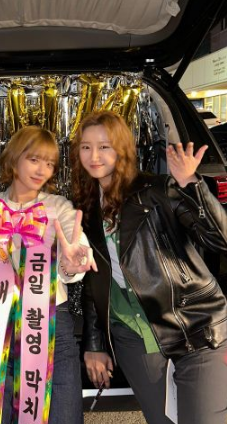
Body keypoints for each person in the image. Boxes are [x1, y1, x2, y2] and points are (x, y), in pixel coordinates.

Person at [70, 110, 227, 424]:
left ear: (122, 148)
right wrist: (95, 344)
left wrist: (190, 183)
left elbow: (219, 238)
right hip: (132, 335)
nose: (94, 156)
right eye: (86, 147)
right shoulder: (85, 206)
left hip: (195, 327)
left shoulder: (157, 189)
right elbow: (94, 281)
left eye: (104, 146)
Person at [0, 126, 97, 424]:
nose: (42, 170)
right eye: (34, 159)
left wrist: (74, 260)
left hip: (52, 323)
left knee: (63, 416)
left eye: (49, 163)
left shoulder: (58, 207)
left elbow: (75, 242)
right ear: (14, 158)